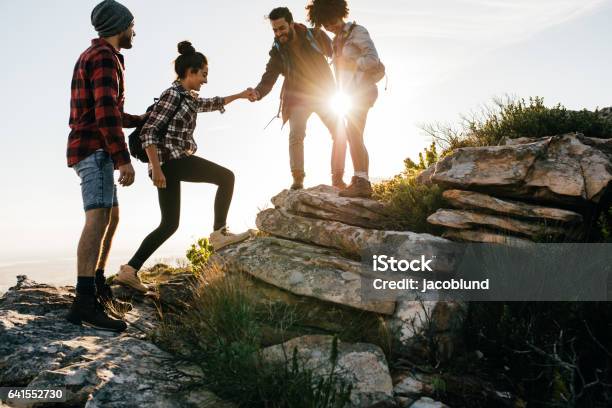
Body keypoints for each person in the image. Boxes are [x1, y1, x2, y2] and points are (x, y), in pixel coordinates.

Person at [113, 41, 252, 293]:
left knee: (169, 224)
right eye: (204, 74)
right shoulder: (172, 95)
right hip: (172, 161)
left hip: (169, 164)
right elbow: (149, 133)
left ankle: (129, 270)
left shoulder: (188, 98)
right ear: (191, 72)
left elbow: (212, 102)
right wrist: (157, 169)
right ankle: (219, 233)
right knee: (226, 177)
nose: (205, 80)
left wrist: (241, 95)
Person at [66, 0, 146, 332]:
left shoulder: (99, 56)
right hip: (94, 150)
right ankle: (84, 301)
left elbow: (108, 109)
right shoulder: (103, 58)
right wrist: (122, 159)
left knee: (111, 217)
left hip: (92, 147)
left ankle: (97, 284)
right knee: (97, 219)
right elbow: (104, 113)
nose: (134, 30)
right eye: (131, 24)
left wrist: (141, 118)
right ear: (119, 26)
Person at [249, 7, 347, 190]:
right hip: (298, 98)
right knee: (296, 135)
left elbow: (337, 54)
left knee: (340, 131)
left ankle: (338, 177)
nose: (279, 33)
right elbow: (268, 78)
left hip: (323, 94)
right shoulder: (277, 52)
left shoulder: (315, 35)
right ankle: (298, 179)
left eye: (282, 28)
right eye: (275, 30)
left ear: (291, 24)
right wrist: (258, 92)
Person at [306, 0, 384, 198]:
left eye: (331, 21)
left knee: (353, 133)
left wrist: (353, 63)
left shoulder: (358, 31)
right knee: (354, 134)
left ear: (340, 13)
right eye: (325, 25)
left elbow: (372, 58)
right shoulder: (335, 41)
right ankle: (362, 180)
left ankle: (361, 181)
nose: (329, 27)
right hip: (349, 94)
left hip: (364, 89)